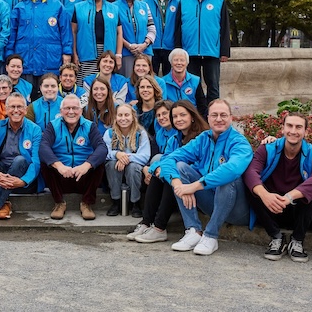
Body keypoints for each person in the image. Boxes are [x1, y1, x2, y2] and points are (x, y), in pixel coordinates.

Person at [159, 99, 252, 255]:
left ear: (231, 118)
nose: (219, 119)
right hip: (212, 202)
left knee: (227, 177)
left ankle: (211, 236)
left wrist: (194, 186)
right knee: (181, 167)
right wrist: (177, 185)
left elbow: (232, 169)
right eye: (214, 115)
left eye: (223, 115)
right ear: (208, 118)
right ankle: (193, 231)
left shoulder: (239, 142)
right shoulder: (204, 138)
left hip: (238, 210)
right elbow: (169, 159)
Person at [243, 112, 312, 262]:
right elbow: (251, 172)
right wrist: (264, 195)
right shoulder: (267, 149)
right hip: (270, 207)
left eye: (298, 127)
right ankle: (276, 237)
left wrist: (289, 197)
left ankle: (297, 240)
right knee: (253, 187)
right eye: (289, 126)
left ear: (306, 131)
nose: (293, 131)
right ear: (282, 128)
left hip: (298, 210)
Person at [131, 100, 207, 243]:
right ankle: (147, 223)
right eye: (175, 117)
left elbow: (197, 167)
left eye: (182, 115)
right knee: (161, 173)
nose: (178, 120)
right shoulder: (174, 139)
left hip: (199, 187)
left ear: (192, 116)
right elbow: (165, 160)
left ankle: (159, 227)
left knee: (171, 174)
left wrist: (165, 171)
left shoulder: (202, 137)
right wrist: (157, 168)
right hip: (181, 186)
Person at [0, 92, 43, 222]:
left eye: (20, 107)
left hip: (22, 177)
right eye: (12, 107)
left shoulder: (35, 130)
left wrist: (23, 181)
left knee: (20, 160)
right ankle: (4, 203)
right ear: (6, 109)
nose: (16, 110)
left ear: (26, 109)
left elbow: (36, 162)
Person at [39, 94, 107, 220]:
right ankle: (59, 202)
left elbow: (102, 148)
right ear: (61, 111)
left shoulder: (89, 126)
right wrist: (59, 165)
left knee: (99, 162)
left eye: (75, 108)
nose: (71, 112)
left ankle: (87, 203)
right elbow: (43, 147)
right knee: (45, 161)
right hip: (61, 175)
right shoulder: (52, 126)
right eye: (67, 108)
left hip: (83, 175)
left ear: (81, 111)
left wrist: (87, 165)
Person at [7, 0, 72, 95]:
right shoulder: (20, 7)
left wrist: (67, 53)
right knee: (25, 96)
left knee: (49, 95)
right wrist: (10, 54)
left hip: (50, 59)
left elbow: (65, 31)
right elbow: (12, 33)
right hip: (26, 59)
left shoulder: (57, 6)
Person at [175, 0, 230, 104]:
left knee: (213, 87)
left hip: (211, 51)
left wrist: (224, 51)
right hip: (190, 52)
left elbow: (225, 27)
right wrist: (178, 51)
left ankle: (213, 114)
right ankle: (195, 115)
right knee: (192, 87)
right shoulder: (183, 1)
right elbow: (178, 28)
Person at [72, 0, 123, 80]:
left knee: (106, 83)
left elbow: (119, 33)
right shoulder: (79, 7)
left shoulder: (114, 8)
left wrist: (118, 55)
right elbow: (73, 32)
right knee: (87, 83)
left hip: (107, 52)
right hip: (86, 52)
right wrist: (75, 54)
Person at [104, 104, 151, 218]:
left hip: (134, 171)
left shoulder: (140, 133)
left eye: (126, 115)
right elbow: (104, 152)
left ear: (133, 117)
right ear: (115, 117)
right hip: (116, 170)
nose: (123, 118)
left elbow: (145, 156)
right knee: (111, 164)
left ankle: (135, 202)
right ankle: (116, 201)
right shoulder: (110, 133)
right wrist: (117, 154)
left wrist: (125, 158)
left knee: (133, 167)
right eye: (120, 115)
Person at [117, 0, 156, 77]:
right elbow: (115, 32)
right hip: (126, 53)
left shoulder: (144, 5)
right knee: (129, 82)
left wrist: (144, 44)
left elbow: (151, 28)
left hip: (145, 51)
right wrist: (129, 46)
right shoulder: (114, 7)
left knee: (145, 82)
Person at [143, 0, 178, 76]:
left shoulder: (178, 2)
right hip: (153, 47)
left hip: (170, 47)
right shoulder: (145, 2)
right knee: (151, 78)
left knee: (170, 78)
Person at [163, 48, 207, 117]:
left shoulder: (195, 80)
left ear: (187, 63)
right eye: (176, 60)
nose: (179, 63)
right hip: (171, 118)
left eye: (182, 60)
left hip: (192, 118)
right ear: (171, 62)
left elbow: (202, 105)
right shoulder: (163, 82)